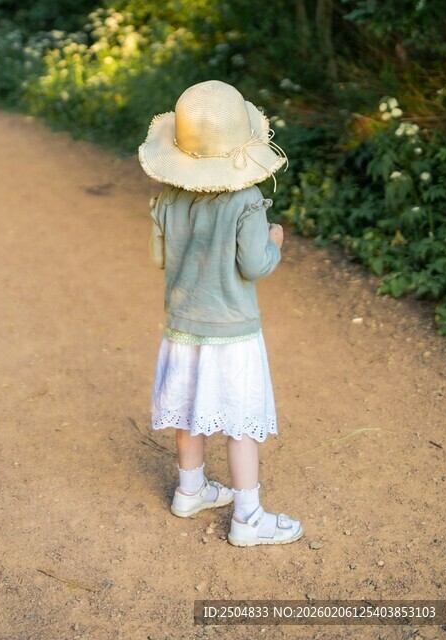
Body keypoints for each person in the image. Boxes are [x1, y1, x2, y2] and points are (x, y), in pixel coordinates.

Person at [138, 79, 303, 546]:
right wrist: (273, 245)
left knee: (189, 413)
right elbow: (252, 266)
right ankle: (249, 518)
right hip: (232, 333)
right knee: (238, 419)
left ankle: (190, 490)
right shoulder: (245, 201)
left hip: (183, 327)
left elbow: (160, 259)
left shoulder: (170, 198)